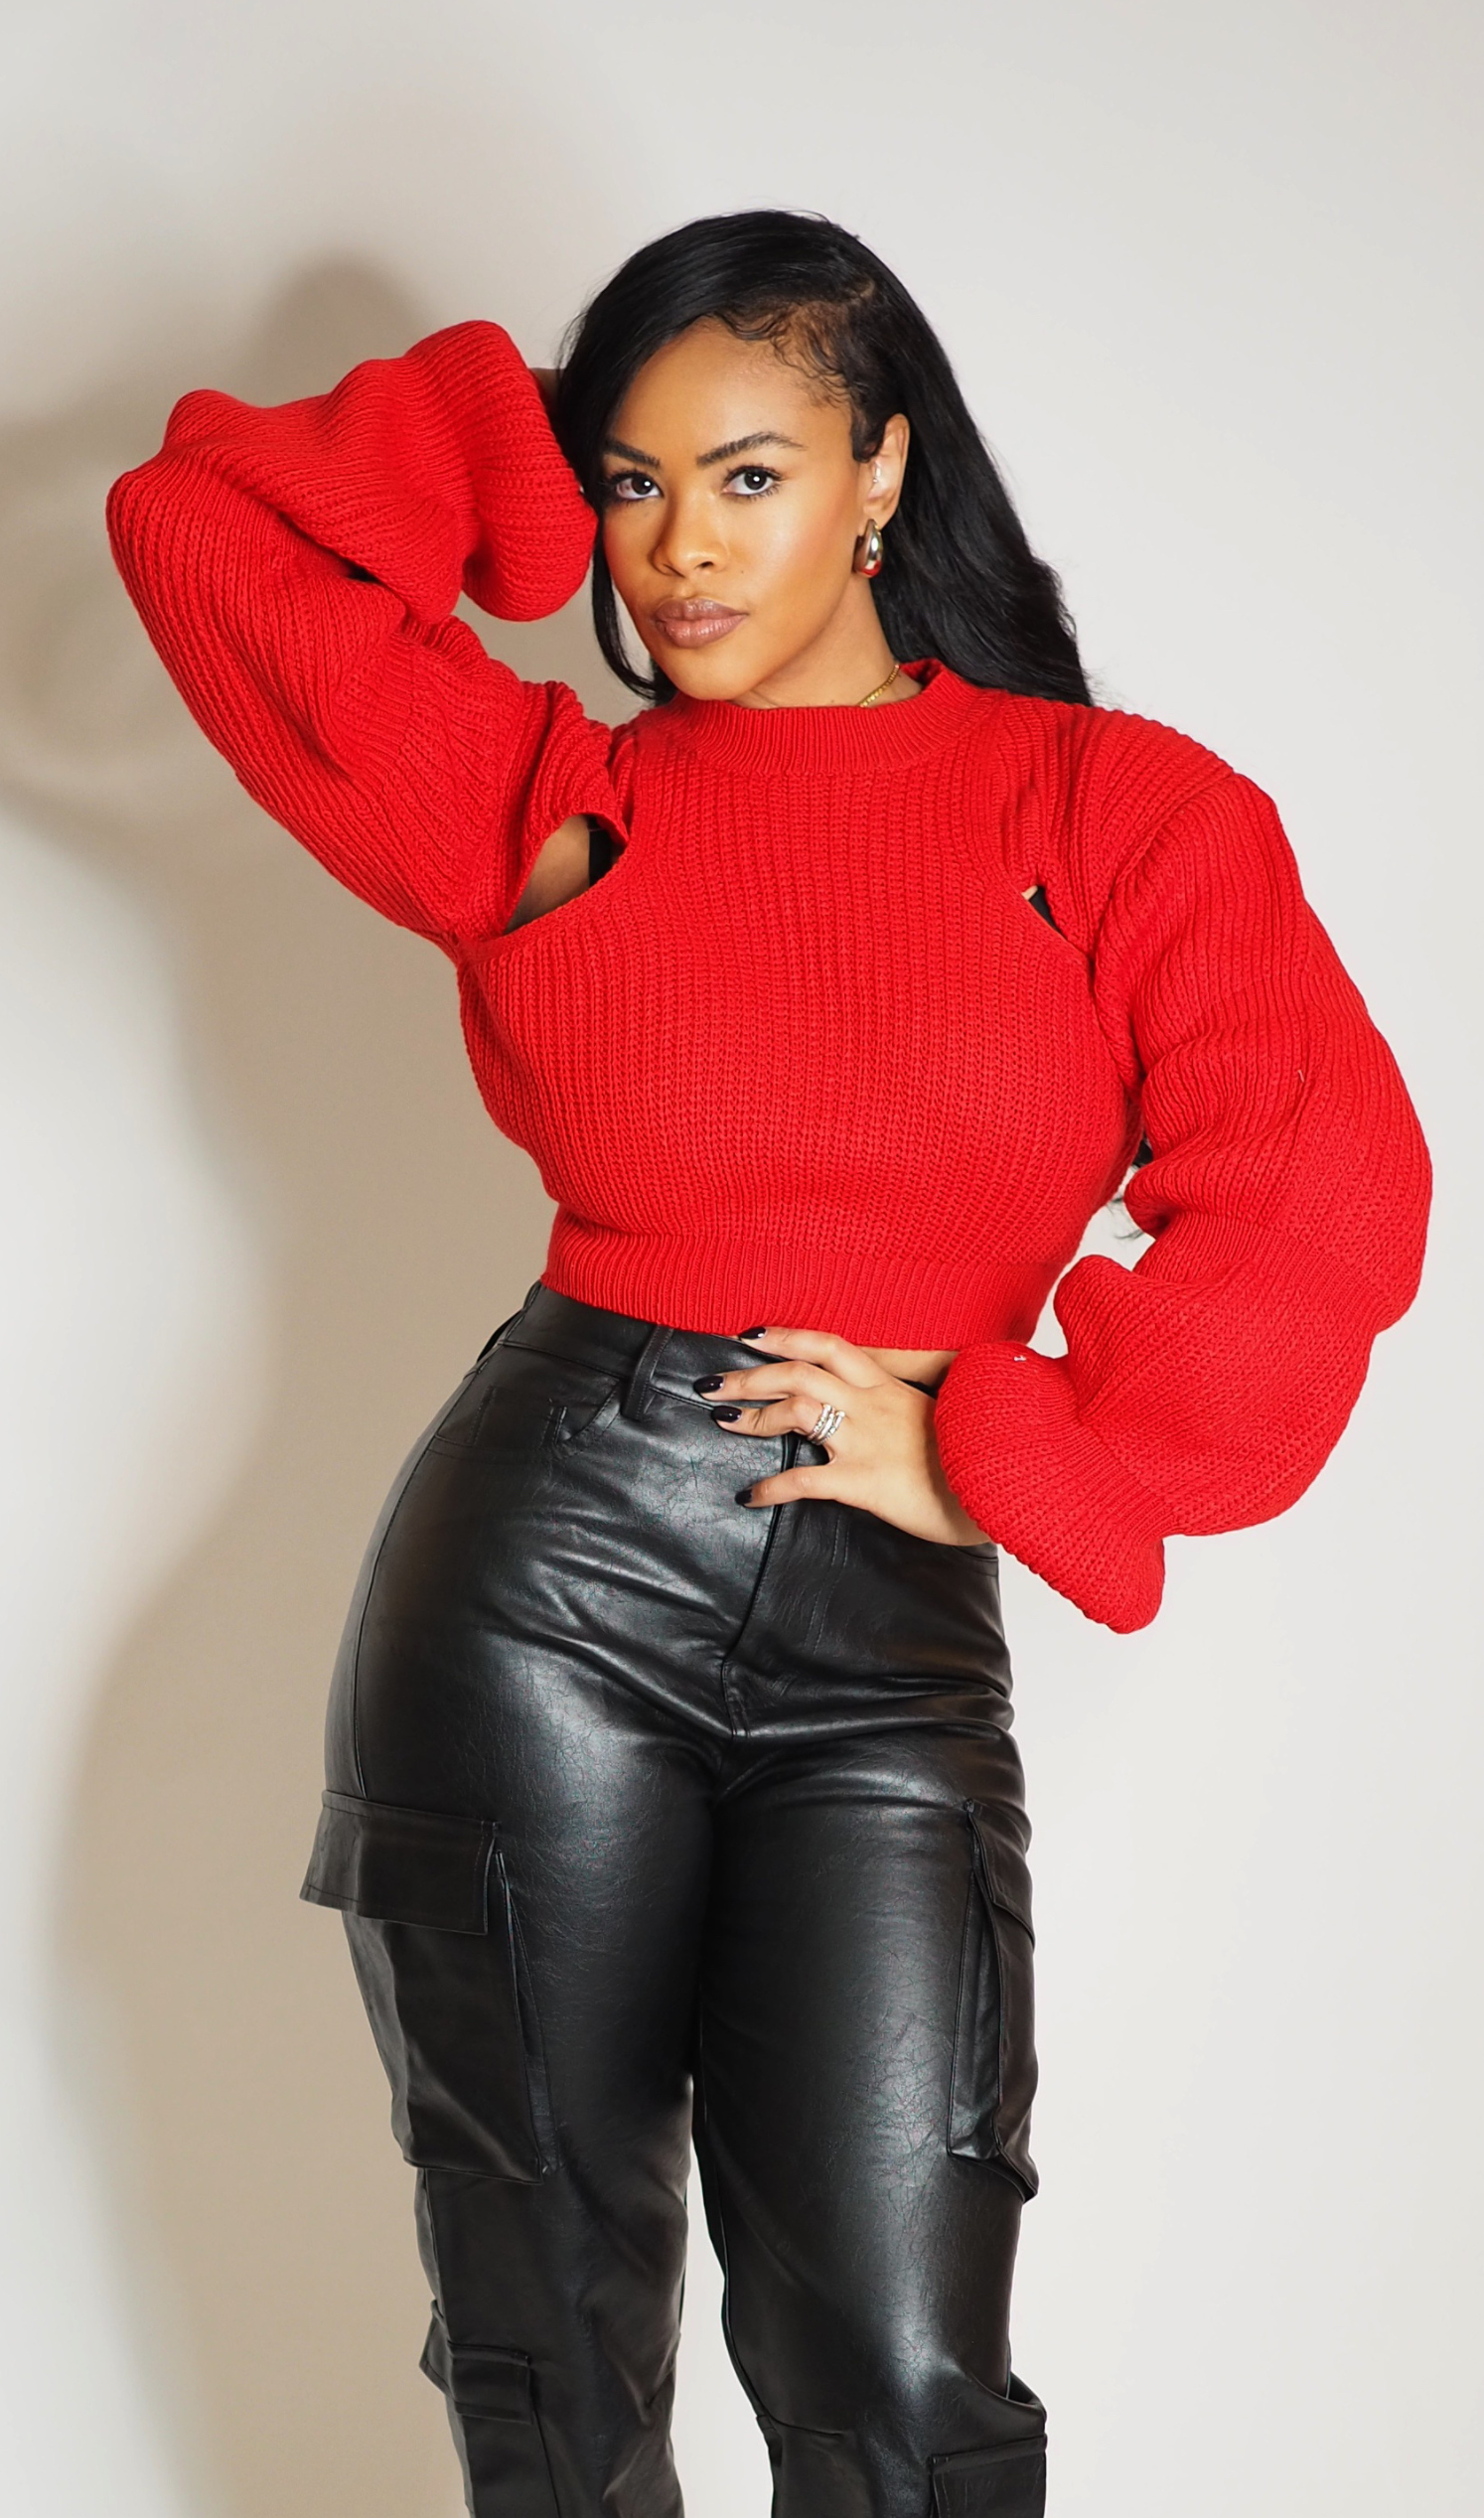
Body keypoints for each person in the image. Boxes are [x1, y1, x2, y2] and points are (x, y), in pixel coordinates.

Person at [107, 209, 1430, 2518]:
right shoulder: (554, 800)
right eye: (634, 485)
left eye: (749, 475)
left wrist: (1013, 1444)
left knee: (905, 2384)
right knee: (550, 2359)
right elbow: (192, 525)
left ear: (884, 472)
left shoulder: (1112, 815)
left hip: (884, 1660)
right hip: (541, 1595)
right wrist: (530, 439)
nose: (681, 548)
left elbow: (1326, 1181)